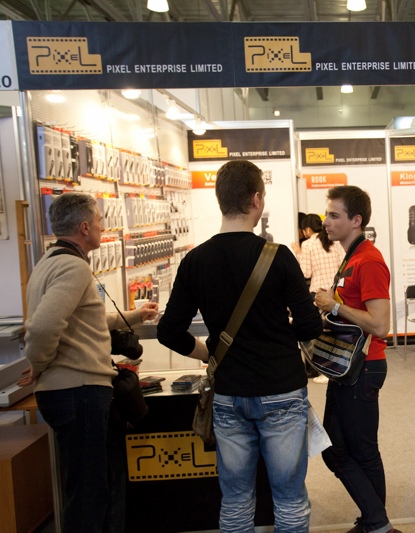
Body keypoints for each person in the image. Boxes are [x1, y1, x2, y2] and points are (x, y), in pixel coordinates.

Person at [157, 159, 321, 533]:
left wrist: (208, 353)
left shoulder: (194, 260)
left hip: (229, 393)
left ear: (220, 200)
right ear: (256, 199)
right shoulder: (278, 256)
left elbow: (169, 331)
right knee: (289, 498)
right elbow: (310, 325)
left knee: (235, 499)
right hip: (281, 389)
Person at [17, 192, 157, 533]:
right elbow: (43, 327)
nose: (102, 227)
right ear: (83, 228)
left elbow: (84, 320)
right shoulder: (73, 267)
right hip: (78, 392)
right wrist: (39, 363)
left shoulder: (50, 262)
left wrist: (134, 315)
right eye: (98, 221)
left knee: (92, 487)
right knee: (88, 494)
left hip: (72, 392)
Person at [313, 186, 400, 533]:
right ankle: (375, 521)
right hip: (345, 367)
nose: (326, 221)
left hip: (364, 368)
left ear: (356, 220)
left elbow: (380, 325)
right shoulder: (351, 257)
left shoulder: (369, 260)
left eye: (334, 215)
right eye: (327, 214)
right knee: (334, 448)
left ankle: (376, 524)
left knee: (361, 451)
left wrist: (334, 306)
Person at [292, 213, 345, 384]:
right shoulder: (334, 242)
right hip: (335, 293)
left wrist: (299, 254)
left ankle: (325, 371)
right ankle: (337, 368)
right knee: (336, 332)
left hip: (318, 294)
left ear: (308, 230)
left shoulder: (307, 244)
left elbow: (305, 272)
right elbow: (342, 266)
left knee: (320, 335)